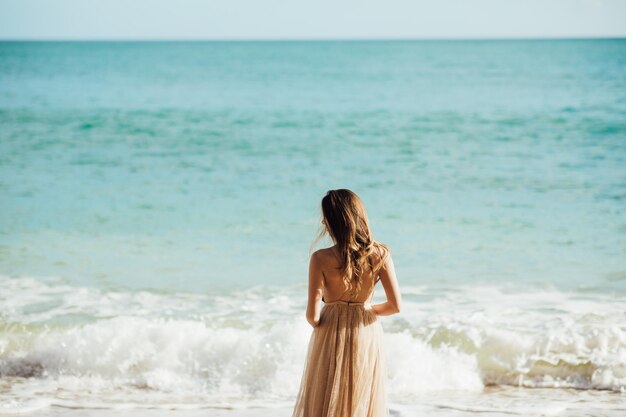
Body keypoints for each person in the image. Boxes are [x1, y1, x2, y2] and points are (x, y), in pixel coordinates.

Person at [291, 189, 402, 417]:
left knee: (325, 398)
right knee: (361, 398)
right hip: (365, 331)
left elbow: (312, 317)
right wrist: (366, 309)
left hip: (331, 331)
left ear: (331, 222)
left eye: (325, 217)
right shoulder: (380, 254)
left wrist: (332, 309)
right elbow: (394, 305)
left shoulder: (320, 258)